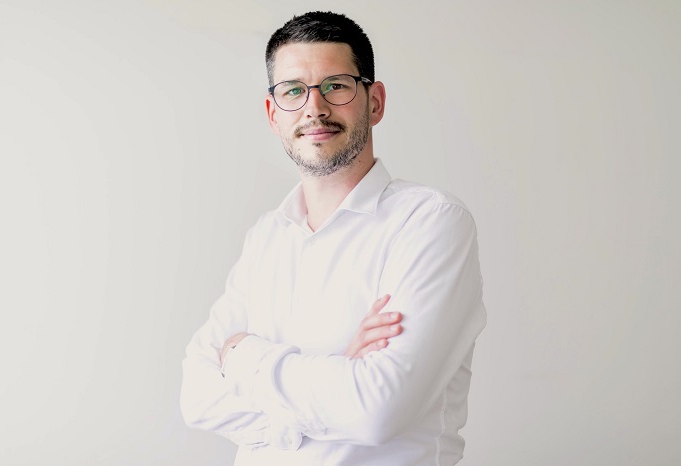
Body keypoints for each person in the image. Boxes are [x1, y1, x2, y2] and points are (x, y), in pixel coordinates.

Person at [180, 11, 486, 466]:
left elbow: (375, 411)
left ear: (375, 102)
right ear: (273, 114)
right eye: (293, 91)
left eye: (336, 86)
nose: (314, 108)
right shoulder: (267, 237)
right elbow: (197, 398)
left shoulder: (430, 222)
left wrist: (242, 357)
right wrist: (339, 375)